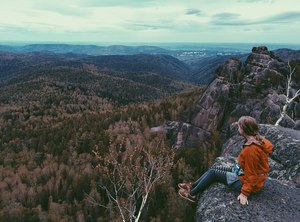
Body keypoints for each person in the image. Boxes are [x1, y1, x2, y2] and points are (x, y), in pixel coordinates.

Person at [178, 116, 273, 205]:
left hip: (245, 182)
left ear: (243, 130)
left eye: (239, 127)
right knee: (214, 169)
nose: (238, 128)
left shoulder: (251, 150)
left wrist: (244, 193)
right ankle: (192, 186)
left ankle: (192, 194)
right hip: (243, 173)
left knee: (214, 173)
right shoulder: (258, 140)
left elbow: (251, 175)